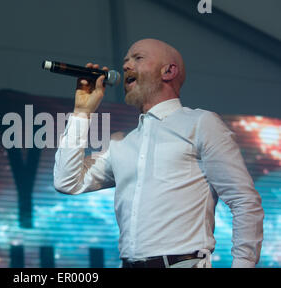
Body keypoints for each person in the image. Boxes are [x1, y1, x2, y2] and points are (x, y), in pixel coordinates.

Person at [53, 39, 264, 268]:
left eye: (138, 58)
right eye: (125, 61)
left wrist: (244, 264)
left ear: (169, 71)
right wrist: (82, 113)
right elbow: (67, 182)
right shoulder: (121, 142)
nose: (126, 66)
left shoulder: (201, 123)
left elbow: (244, 200)